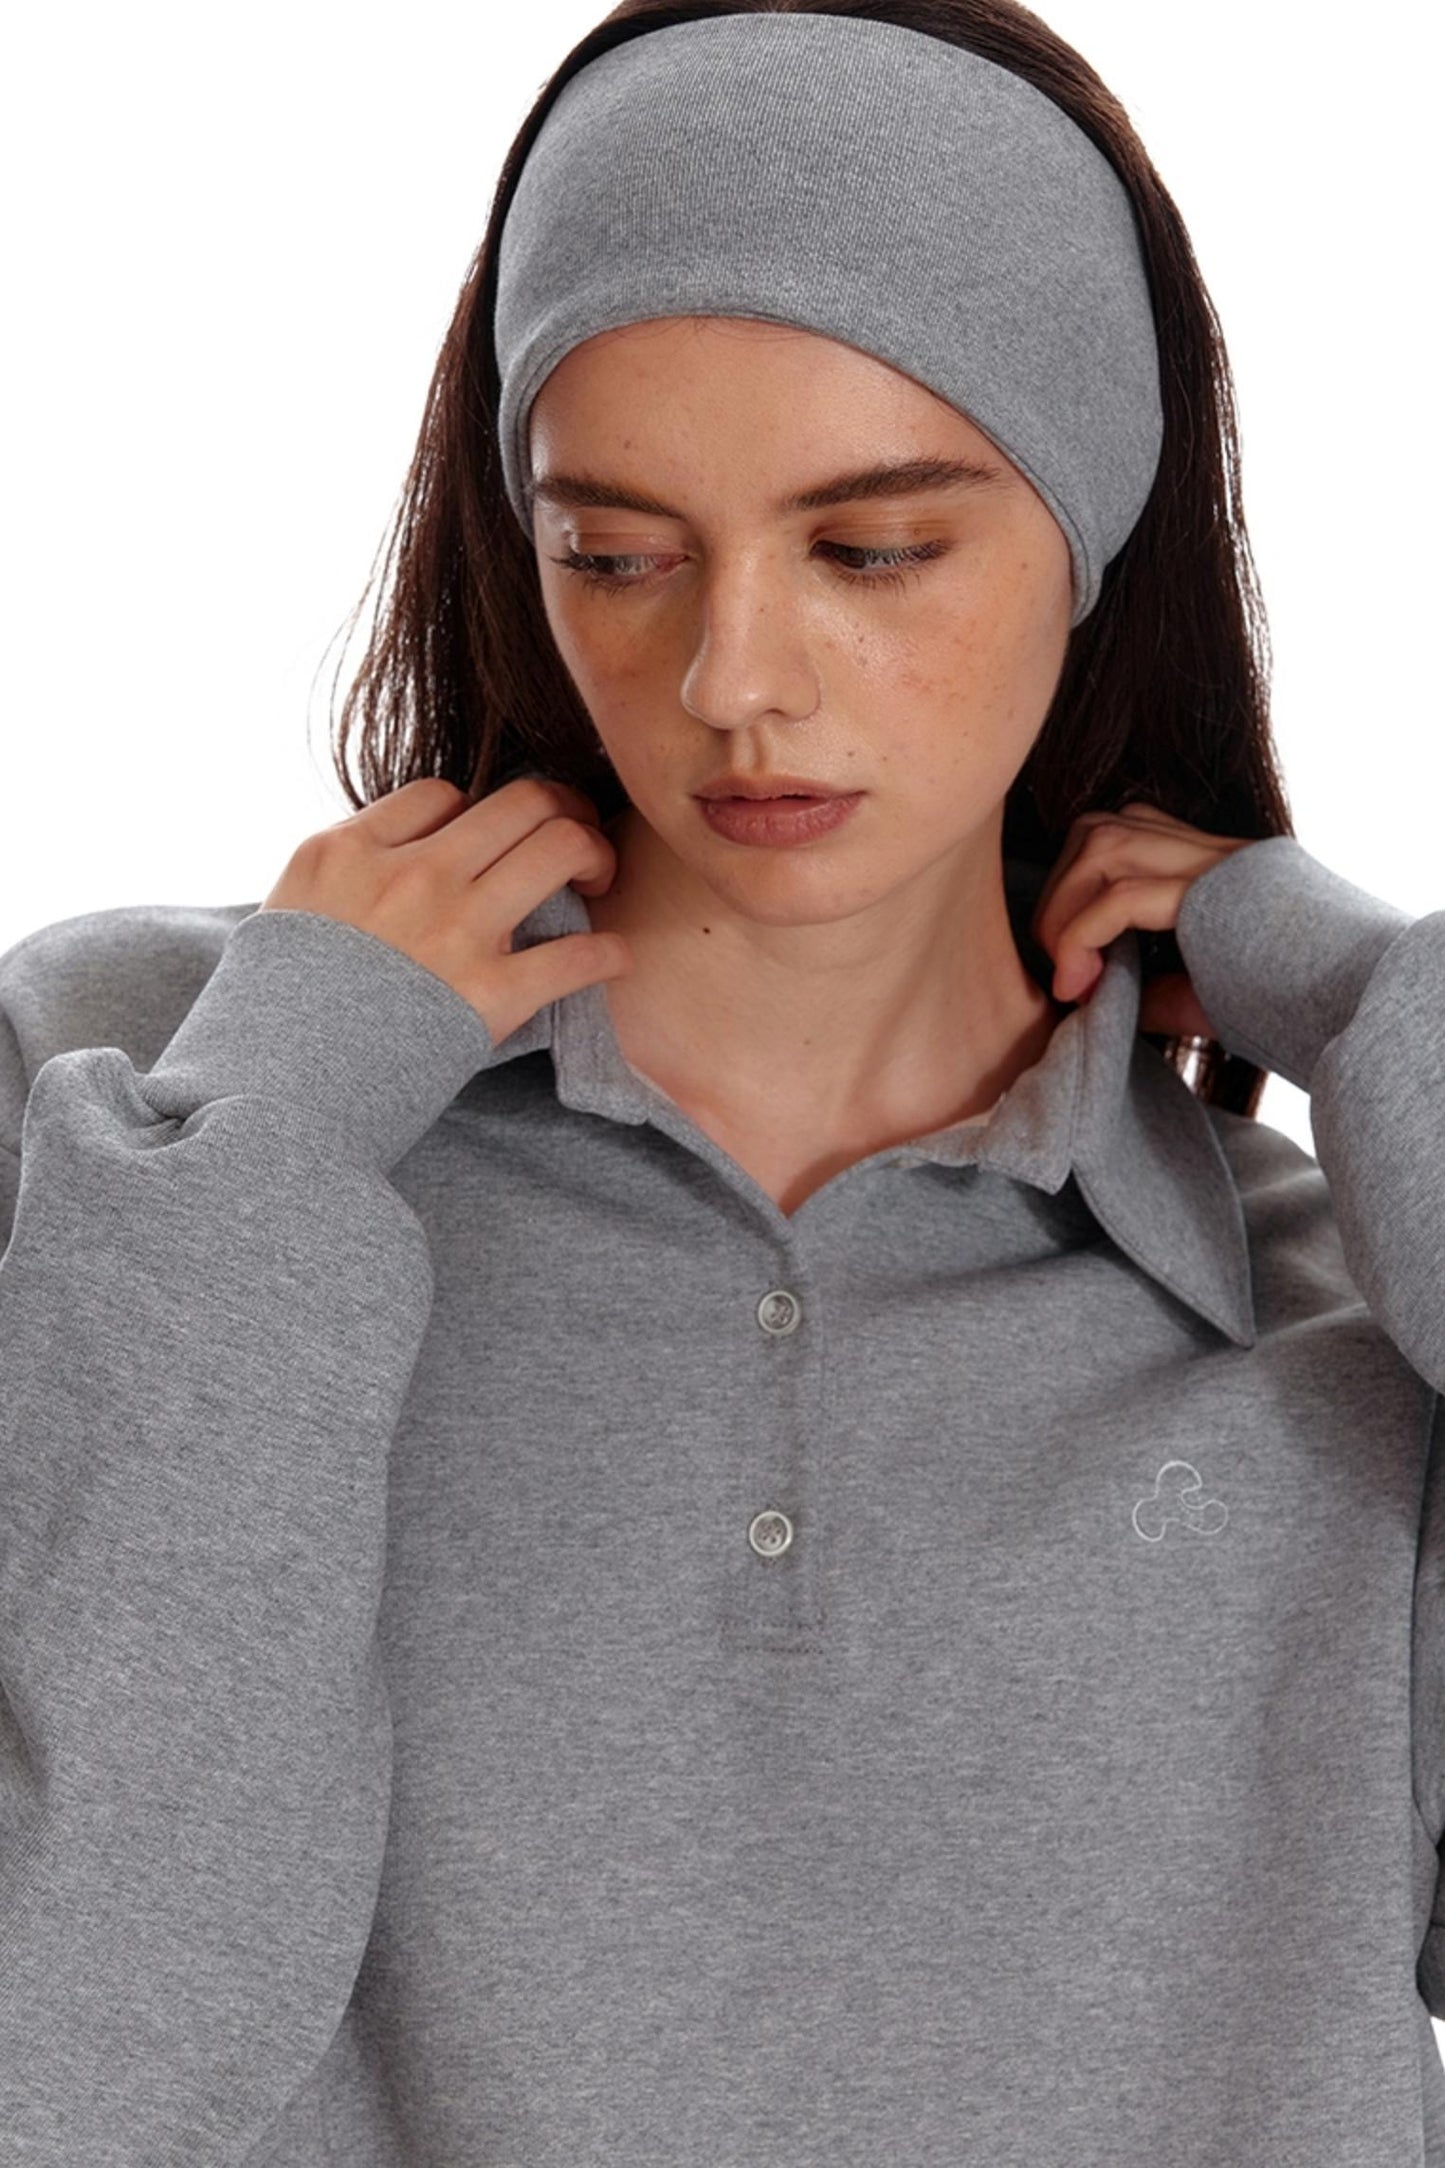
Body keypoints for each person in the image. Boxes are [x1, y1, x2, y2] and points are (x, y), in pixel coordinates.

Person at [1, 4, 1441, 2163]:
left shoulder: (1338, 1333)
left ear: (1092, 534)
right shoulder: (144, 1115)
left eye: (872, 551)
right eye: (617, 552)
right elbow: (83, 2058)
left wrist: (1380, 1008)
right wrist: (268, 1152)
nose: (733, 680)